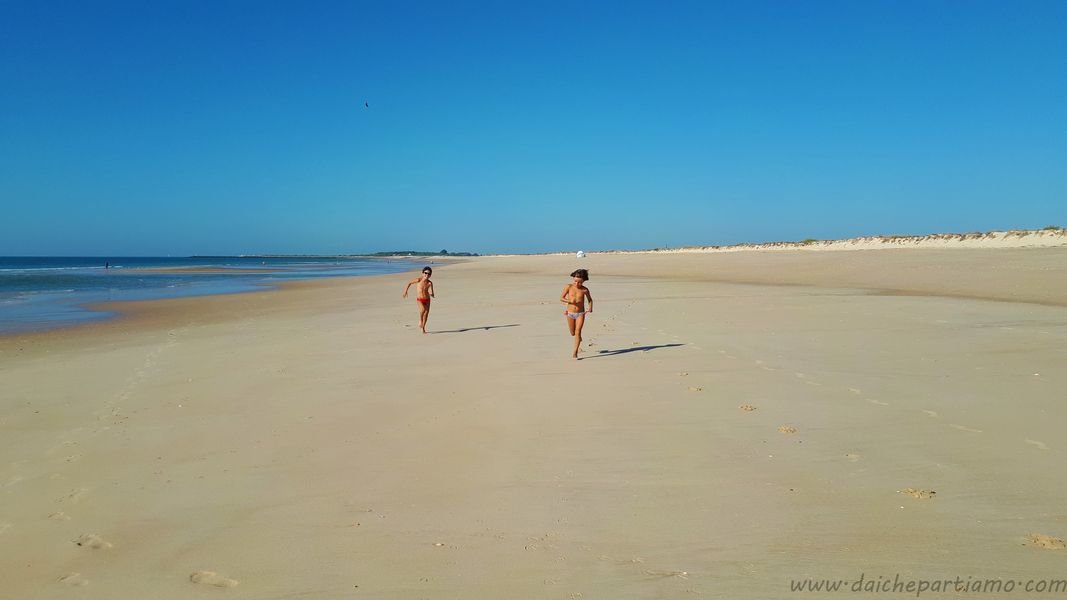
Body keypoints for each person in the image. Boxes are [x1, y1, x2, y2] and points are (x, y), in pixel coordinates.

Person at [560, 269, 593, 358]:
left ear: (583, 281)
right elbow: (561, 298)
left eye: (580, 282)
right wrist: (569, 301)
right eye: (575, 281)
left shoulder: (585, 290)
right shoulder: (569, 287)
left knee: (578, 332)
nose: (577, 284)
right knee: (573, 333)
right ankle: (578, 338)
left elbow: (590, 300)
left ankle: (575, 352)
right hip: (570, 313)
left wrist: (590, 307)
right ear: (573, 278)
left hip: (580, 313)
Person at [402, 267, 435, 333]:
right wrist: (405, 291)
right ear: (422, 273)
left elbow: (432, 293)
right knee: (422, 310)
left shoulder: (430, 283)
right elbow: (409, 283)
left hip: (427, 299)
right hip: (420, 299)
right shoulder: (418, 280)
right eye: (425, 273)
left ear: (430, 275)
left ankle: (423, 328)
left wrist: (432, 294)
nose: (427, 275)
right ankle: (420, 320)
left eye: (429, 274)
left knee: (426, 314)